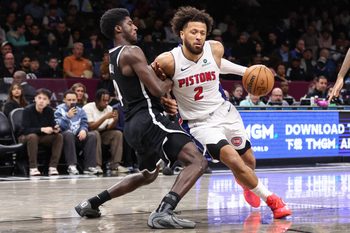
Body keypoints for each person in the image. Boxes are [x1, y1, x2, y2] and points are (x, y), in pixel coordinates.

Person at [153, 6, 291, 219]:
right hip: (200, 123)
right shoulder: (167, 61)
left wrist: (247, 72)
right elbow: (153, 87)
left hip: (225, 112)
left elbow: (218, 65)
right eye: (193, 32)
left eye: (202, 32)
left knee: (249, 162)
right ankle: (273, 201)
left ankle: (247, 185)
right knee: (233, 160)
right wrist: (165, 100)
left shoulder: (215, 48)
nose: (198, 37)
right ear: (181, 33)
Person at [75, 8, 207, 229]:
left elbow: (142, 91)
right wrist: (175, 75)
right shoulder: (132, 51)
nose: (135, 26)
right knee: (197, 161)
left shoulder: (112, 57)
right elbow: (156, 89)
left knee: (148, 174)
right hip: (149, 120)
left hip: (133, 126)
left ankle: (92, 203)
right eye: (129, 23)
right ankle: (164, 212)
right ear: (119, 28)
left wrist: (160, 92)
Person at [19, 88, 63, 176]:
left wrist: (56, 128)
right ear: (35, 99)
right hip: (25, 136)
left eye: (44, 99)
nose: (41, 101)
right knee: (33, 136)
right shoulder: (28, 110)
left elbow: (53, 125)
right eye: (39, 98)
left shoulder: (49, 111)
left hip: (41, 137)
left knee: (59, 136)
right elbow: (24, 129)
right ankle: (33, 168)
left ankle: (53, 167)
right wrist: (42, 129)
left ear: (48, 102)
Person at [82, 89, 128, 174]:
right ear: (97, 100)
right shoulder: (88, 107)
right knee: (95, 134)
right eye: (104, 100)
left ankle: (115, 164)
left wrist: (115, 120)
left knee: (117, 133)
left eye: (108, 101)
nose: (106, 103)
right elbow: (91, 127)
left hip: (103, 133)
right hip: (88, 134)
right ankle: (97, 165)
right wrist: (105, 117)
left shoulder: (109, 108)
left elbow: (109, 128)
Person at [54, 90, 98, 175]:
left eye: (73, 100)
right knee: (68, 134)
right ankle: (72, 166)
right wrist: (67, 116)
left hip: (77, 136)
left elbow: (84, 123)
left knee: (92, 135)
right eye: (69, 100)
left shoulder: (81, 111)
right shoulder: (59, 111)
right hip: (64, 137)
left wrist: (83, 130)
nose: (71, 102)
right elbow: (58, 126)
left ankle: (89, 167)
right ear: (64, 100)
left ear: (77, 100)